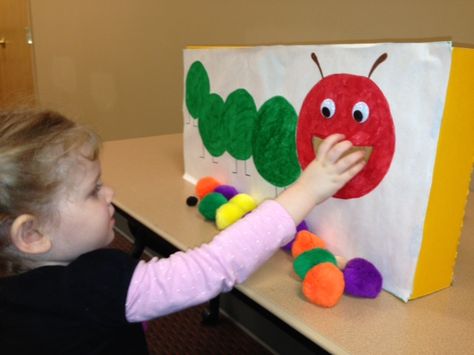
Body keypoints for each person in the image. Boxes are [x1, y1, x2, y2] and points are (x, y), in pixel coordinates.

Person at [0, 109, 365, 354]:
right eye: (94, 190)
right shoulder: (97, 283)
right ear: (31, 235)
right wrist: (308, 190)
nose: (110, 193)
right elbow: (213, 266)